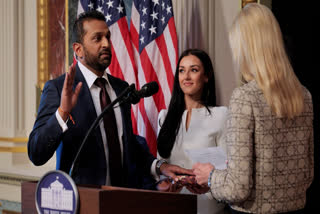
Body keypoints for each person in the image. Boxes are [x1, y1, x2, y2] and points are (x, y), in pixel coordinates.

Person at [28, 10, 192, 189]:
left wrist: (160, 167)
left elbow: (126, 145)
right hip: (82, 202)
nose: (106, 44)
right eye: (97, 38)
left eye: (107, 37)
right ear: (78, 49)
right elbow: (36, 153)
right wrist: (63, 113)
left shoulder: (120, 88)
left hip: (121, 201)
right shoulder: (59, 89)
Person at [192, 3, 314, 214]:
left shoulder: (245, 98)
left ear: (246, 47)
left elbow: (237, 189)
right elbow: (308, 174)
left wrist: (210, 176)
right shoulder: (303, 94)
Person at [157, 49, 229, 214]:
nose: (186, 76)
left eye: (194, 70)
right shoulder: (164, 117)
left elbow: (228, 172)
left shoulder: (221, 115)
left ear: (206, 76)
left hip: (208, 207)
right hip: (172, 206)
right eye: (181, 70)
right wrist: (165, 184)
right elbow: (161, 166)